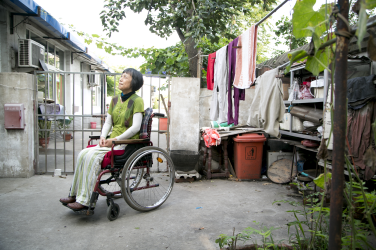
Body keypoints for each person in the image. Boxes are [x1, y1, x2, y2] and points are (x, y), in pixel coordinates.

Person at [60, 68, 144, 211]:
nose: (121, 79)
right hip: (112, 141)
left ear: (134, 82)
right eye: (121, 76)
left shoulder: (137, 101)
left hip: (125, 143)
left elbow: (135, 128)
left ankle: (85, 201)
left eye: (125, 77)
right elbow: (108, 122)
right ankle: (74, 194)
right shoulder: (115, 99)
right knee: (82, 154)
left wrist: (115, 140)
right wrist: (103, 137)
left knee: (92, 157)